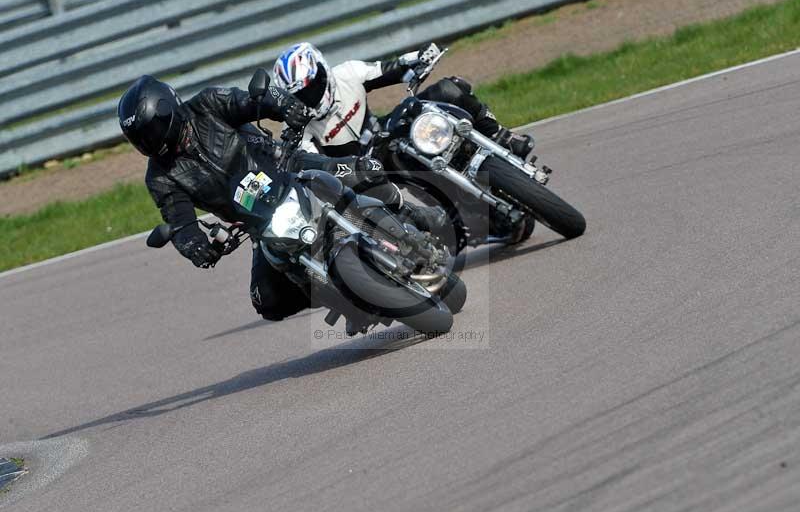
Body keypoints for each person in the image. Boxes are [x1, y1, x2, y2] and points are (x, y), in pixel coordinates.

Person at [118, 74, 418, 321]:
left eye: (152, 130)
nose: (150, 141)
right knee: (267, 301)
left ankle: (410, 218)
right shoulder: (160, 177)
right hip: (259, 220)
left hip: (290, 167)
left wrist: (286, 107)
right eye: (141, 138)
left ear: (167, 108)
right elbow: (179, 220)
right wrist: (193, 245)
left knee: (365, 172)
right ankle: (344, 297)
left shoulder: (208, 105)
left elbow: (252, 101)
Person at [272, 42, 535, 160]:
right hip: (361, 176)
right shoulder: (296, 125)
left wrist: (417, 58)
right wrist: (292, 140)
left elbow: (392, 69)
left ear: (322, 69)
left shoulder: (347, 73)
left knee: (451, 89)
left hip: (386, 134)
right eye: (301, 92)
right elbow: (310, 167)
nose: (310, 94)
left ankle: (502, 137)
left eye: (312, 83)